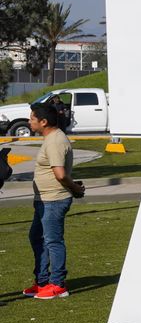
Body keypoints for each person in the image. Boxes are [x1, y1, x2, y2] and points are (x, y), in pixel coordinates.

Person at [26, 99, 85, 300]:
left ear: (43, 122)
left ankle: (58, 285)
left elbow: (60, 174)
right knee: (36, 237)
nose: (29, 121)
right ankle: (42, 281)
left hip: (54, 200)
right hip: (43, 200)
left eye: (32, 118)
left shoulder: (55, 141)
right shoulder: (50, 138)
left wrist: (75, 188)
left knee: (53, 241)